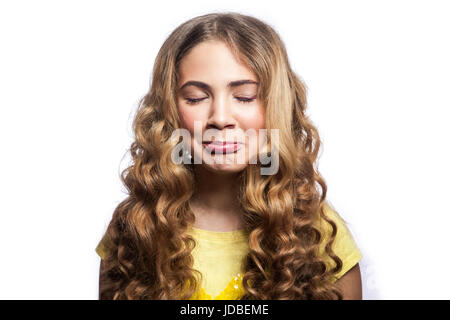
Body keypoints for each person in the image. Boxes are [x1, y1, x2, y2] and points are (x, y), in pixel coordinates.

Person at [95, 12, 363, 300]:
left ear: (277, 106)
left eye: (245, 96)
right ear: (169, 111)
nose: (220, 118)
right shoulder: (136, 227)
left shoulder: (318, 233)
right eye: (196, 98)